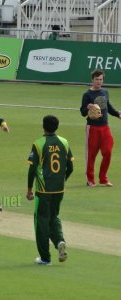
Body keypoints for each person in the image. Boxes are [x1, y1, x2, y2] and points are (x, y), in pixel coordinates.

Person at [26, 115, 74, 265]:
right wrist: (61, 180)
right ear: (57, 127)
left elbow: (32, 169)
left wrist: (29, 189)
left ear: (43, 126)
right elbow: (70, 167)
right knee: (54, 217)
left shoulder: (39, 143)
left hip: (43, 190)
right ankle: (59, 241)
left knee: (41, 222)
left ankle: (45, 258)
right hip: (59, 189)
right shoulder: (64, 142)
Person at [80, 69, 121, 187]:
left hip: (105, 127)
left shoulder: (105, 92)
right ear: (92, 80)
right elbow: (82, 112)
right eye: (97, 79)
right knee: (91, 155)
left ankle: (103, 178)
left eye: (101, 79)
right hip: (92, 128)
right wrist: (88, 107)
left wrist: (118, 114)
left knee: (107, 152)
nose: (99, 81)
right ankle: (90, 180)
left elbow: (108, 107)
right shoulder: (87, 95)